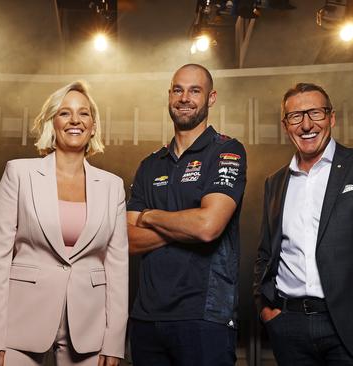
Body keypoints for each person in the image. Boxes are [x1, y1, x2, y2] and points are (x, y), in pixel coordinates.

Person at [253, 82, 353, 365]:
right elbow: (265, 254)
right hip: (289, 327)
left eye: (315, 113)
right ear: (285, 125)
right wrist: (266, 309)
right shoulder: (275, 182)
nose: (306, 124)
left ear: (331, 118)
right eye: (295, 116)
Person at [0, 81, 128, 366]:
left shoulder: (112, 186)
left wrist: (114, 341)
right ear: (52, 122)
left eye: (83, 114)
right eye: (64, 113)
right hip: (19, 323)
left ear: (93, 125)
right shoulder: (19, 173)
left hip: (89, 329)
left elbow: (117, 269)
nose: (75, 120)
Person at [127, 64, 247, 366]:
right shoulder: (150, 164)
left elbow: (208, 227)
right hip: (146, 317)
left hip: (204, 316)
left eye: (195, 90)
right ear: (169, 95)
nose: (185, 98)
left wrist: (150, 216)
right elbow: (128, 240)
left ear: (211, 98)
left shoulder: (226, 150)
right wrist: (185, 226)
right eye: (178, 90)